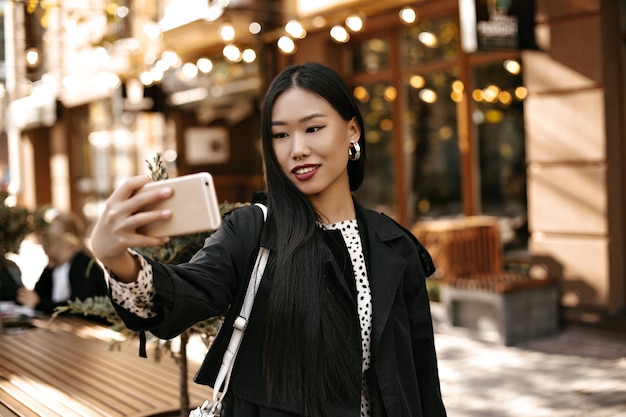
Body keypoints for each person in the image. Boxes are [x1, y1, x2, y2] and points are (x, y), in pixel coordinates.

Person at [90, 62, 447, 417]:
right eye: (280, 135)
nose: (298, 149)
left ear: (351, 130)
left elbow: (422, 380)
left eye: (313, 128)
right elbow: (185, 291)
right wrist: (117, 260)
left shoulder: (393, 245)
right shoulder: (252, 231)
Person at [17, 210, 108, 316]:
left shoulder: (82, 263)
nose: (43, 242)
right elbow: (38, 295)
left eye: (48, 237)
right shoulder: (53, 266)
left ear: (67, 238)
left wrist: (39, 304)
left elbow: (77, 306)